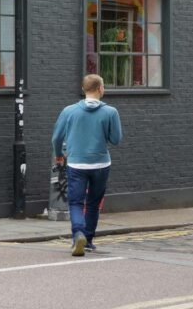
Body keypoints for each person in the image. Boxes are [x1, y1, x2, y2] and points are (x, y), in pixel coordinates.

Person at [51, 74, 123, 256]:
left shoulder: (69, 111)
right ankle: (88, 240)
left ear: (84, 90)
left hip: (76, 164)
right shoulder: (110, 112)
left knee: (75, 202)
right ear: (100, 89)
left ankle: (78, 233)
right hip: (101, 164)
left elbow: (56, 138)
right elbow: (116, 139)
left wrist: (59, 155)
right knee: (93, 203)